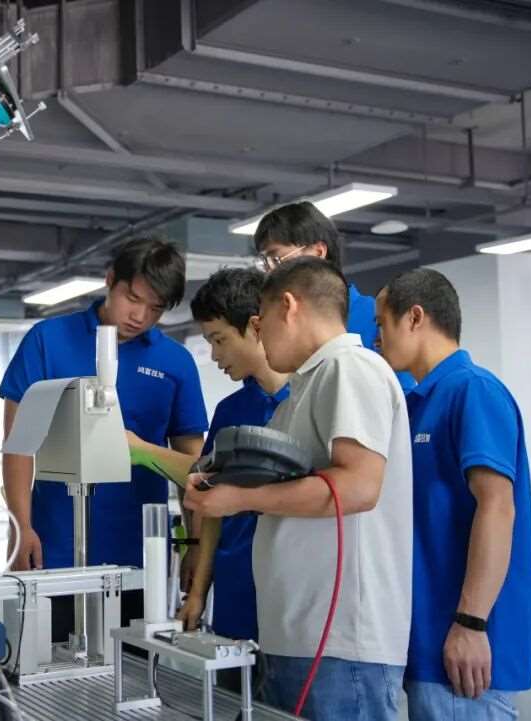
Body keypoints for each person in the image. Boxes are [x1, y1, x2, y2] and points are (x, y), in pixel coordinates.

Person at [185, 257, 413, 721]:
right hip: (295, 636)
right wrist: (218, 481)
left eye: (261, 322)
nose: (260, 336)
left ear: (288, 307)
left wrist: (240, 499)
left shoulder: (351, 369)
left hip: (341, 643)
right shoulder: (303, 392)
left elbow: (358, 487)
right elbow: (288, 485)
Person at [0, 236, 208, 640]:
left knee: (132, 665)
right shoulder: (48, 340)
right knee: (47, 657)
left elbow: (192, 467)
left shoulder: (175, 362)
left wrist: (194, 544)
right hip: (54, 545)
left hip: (139, 553)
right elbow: (18, 444)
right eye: (133, 298)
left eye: (155, 308)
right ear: (110, 280)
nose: (140, 316)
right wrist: (21, 527)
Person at [375, 268, 531, 721]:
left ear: (415, 317)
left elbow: (497, 507)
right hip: (428, 638)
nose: (377, 339)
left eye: (382, 324)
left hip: (466, 651)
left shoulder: (473, 390)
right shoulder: (417, 403)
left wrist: (471, 622)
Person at [126, 268, 289, 647]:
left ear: (255, 327)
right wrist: (198, 592)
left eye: (220, 340)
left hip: (286, 588)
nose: (214, 355)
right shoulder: (231, 411)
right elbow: (211, 499)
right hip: (233, 589)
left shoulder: (305, 400)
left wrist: (141, 450)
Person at [253, 201, 415, 390]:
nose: (269, 272)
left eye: (276, 259)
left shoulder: (374, 318)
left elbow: (402, 394)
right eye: (265, 263)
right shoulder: (284, 326)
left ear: (318, 252)